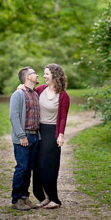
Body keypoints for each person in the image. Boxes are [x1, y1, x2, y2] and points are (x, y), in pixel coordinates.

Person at [20, 64, 70, 209]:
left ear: (55, 75)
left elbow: (63, 118)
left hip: (52, 132)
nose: (44, 76)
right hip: (38, 130)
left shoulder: (63, 95)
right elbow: (27, 92)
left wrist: (61, 135)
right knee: (37, 165)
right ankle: (44, 197)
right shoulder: (41, 89)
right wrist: (20, 87)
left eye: (47, 73)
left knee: (49, 166)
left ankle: (54, 199)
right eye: (44, 73)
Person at [9, 67, 42, 211]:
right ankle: (16, 199)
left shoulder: (35, 94)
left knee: (29, 169)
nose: (38, 75)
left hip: (34, 136)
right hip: (24, 136)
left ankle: (24, 197)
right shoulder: (18, 94)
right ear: (28, 77)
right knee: (22, 168)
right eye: (35, 73)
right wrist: (21, 136)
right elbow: (13, 116)